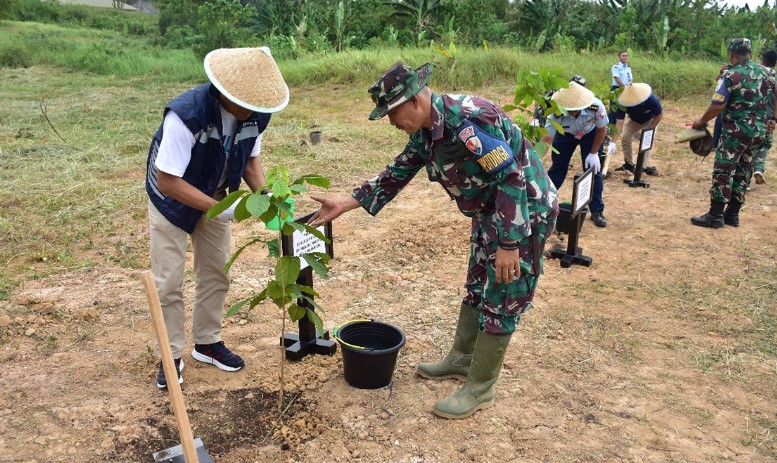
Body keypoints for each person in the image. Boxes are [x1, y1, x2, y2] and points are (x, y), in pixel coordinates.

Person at [307, 62, 558, 419]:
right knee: (477, 284)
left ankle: (480, 387)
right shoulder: (427, 131)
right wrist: (346, 204)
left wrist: (508, 244)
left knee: (503, 293)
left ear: (413, 101)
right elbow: (398, 171)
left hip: (523, 214)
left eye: (392, 114)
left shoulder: (469, 122)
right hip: (491, 213)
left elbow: (512, 178)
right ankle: (462, 358)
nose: (392, 123)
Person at [145, 47, 290, 388]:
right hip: (172, 200)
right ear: (227, 93)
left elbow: (251, 161)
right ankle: (171, 355)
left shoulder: (257, 116)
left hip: (217, 193)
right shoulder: (186, 115)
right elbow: (168, 180)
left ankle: (207, 343)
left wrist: (267, 198)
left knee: (216, 272)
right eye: (249, 102)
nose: (255, 109)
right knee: (168, 282)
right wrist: (220, 207)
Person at [690, 38, 777, 228]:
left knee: (724, 169)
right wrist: (773, 119)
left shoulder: (731, 74)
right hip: (759, 132)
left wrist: (701, 121)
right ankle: (733, 214)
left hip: (736, 132)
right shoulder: (769, 72)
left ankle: (715, 214)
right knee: (744, 169)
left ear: (731, 54)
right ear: (751, 53)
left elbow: (718, 105)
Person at [541, 81, 609, 227]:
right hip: (565, 135)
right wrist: (535, 159)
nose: (571, 113)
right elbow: (547, 138)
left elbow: (602, 130)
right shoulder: (555, 112)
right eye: (568, 110)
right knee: (558, 169)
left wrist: (594, 153)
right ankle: (544, 205)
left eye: (575, 110)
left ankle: (597, 211)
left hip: (590, 135)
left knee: (593, 173)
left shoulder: (596, 106)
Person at [614, 83, 663, 176]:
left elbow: (659, 115)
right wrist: (613, 142)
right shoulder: (622, 102)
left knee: (646, 140)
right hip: (633, 120)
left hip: (650, 120)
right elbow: (619, 123)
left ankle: (641, 167)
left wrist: (650, 129)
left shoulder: (651, 99)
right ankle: (629, 164)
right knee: (625, 137)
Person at [751, 49, 777, 185]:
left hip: (753, 117)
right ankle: (759, 168)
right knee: (765, 144)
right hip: (768, 118)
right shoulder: (774, 77)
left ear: (762, 60)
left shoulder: (755, 75)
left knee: (750, 145)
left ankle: (746, 177)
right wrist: (774, 118)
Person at [609, 50, 633, 142]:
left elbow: (631, 79)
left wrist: (628, 86)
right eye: (623, 56)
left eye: (626, 56)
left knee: (622, 110)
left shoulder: (628, 68)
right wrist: (624, 87)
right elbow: (617, 78)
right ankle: (610, 131)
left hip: (626, 90)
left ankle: (618, 130)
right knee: (613, 110)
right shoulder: (616, 67)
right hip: (617, 89)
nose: (625, 57)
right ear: (619, 57)